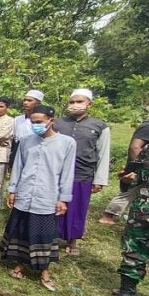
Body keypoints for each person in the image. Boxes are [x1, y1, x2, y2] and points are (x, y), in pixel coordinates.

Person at [2, 105, 76, 292]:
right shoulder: (27, 141)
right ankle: (19, 265)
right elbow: (18, 167)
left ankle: (44, 271)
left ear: (51, 120)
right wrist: (13, 189)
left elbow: (67, 173)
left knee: (44, 235)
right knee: (21, 230)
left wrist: (63, 198)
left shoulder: (67, 143)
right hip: (25, 194)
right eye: (32, 122)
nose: (35, 125)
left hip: (47, 197)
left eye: (38, 122)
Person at [55, 89, 110, 256]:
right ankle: (53, 236)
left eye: (79, 102)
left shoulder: (99, 125)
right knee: (55, 205)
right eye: (72, 102)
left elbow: (103, 153)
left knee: (77, 208)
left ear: (89, 104)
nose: (75, 105)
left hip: (83, 173)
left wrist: (99, 179)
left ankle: (72, 240)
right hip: (58, 173)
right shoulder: (58, 123)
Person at [113, 141, 149, 296]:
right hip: (144, 211)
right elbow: (137, 177)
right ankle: (127, 290)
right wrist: (127, 179)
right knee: (133, 249)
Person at [100, 110, 149, 225]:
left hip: (145, 167)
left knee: (138, 192)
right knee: (130, 192)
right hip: (143, 167)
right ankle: (108, 215)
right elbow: (135, 147)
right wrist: (138, 168)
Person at [11, 90, 44, 168]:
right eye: (25, 100)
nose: (25, 103)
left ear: (38, 103)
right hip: (19, 151)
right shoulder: (17, 119)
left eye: (29, 100)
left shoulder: (42, 120)